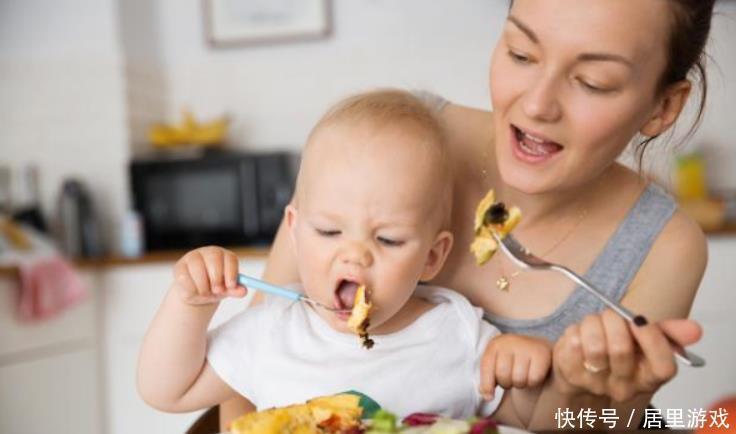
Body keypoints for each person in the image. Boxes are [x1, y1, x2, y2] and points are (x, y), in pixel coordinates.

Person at [220, 0, 715, 430]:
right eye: (521, 53)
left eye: (593, 82)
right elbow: (248, 369)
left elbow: (601, 423)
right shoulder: (388, 142)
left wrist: (576, 392)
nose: (537, 105)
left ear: (663, 107)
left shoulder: (664, 246)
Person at [137, 90, 556, 425]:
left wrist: (525, 363)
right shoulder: (272, 330)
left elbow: (539, 414)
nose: (355, 256)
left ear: (432, 256)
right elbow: (166, 390)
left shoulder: (458, 335)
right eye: (329, 231)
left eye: (389, 239)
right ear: (295, 233)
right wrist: (190, 304)